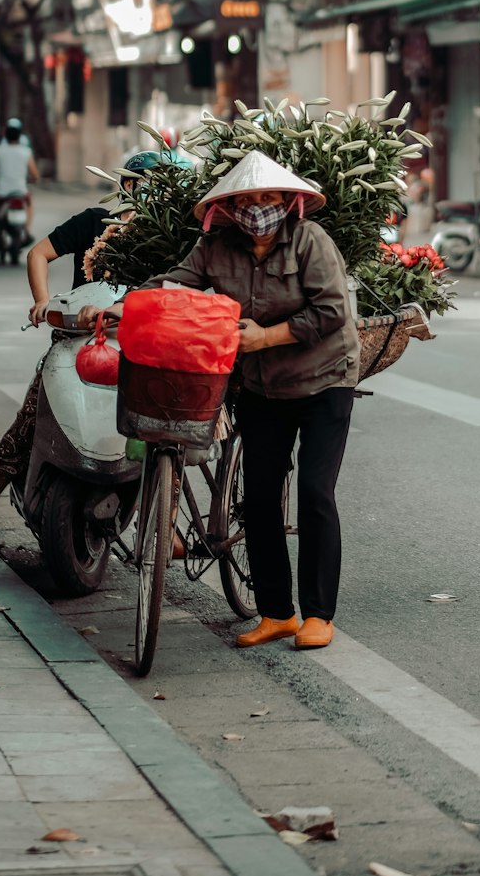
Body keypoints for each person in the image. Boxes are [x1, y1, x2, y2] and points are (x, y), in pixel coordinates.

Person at [79, 149, 359, 651]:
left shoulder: (311, 242)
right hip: (259, 387)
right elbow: (176, 282)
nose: (259, 208)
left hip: (324, 381)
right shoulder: (216, 247)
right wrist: (127, 306)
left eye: (269, 197)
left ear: (288, 202)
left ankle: (319, 614)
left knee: (316, 492)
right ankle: (277, 612)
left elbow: (333, 311)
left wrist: (265, 338)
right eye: (248, 200)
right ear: (230, 208)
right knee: (258, 498)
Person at [0, 152, 164, 539]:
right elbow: (39, 253)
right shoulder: (92, 221)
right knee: (30, 418)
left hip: (136, 346)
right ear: (128, 185)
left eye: (160, 183)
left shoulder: (163, 236)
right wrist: (41, 299)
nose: (150, 190)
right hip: (76, 342)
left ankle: (165, 527)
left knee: (157, 434)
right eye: (143, 181)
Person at [0, 121, 39, 245]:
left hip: (1, 193)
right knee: (29, 205)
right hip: (21, 192)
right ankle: (28, 231)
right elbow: (35, 175)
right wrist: (32, 179)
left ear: (5, 135)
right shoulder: (26, 152)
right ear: (20, 136)